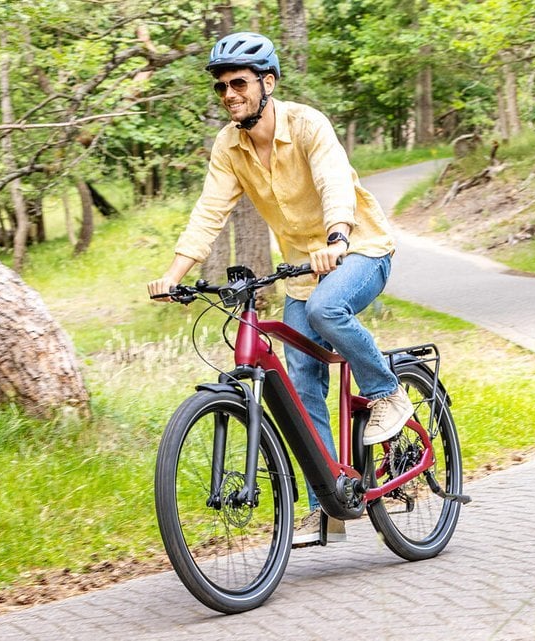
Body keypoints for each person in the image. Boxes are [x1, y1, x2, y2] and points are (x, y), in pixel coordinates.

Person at [147, 32, 413, 546]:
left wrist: (336, 236)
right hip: (300, 271)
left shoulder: (307, 124)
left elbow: (335, 180)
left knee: (327, 309)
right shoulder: (229, 145)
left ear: (267, 84)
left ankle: (388, 392)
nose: (229, 94)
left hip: (359, 249)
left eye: (239, 83)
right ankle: (326, 506)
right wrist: (175, 275)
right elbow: (209, 211)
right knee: (302, 383)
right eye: (222, 87)